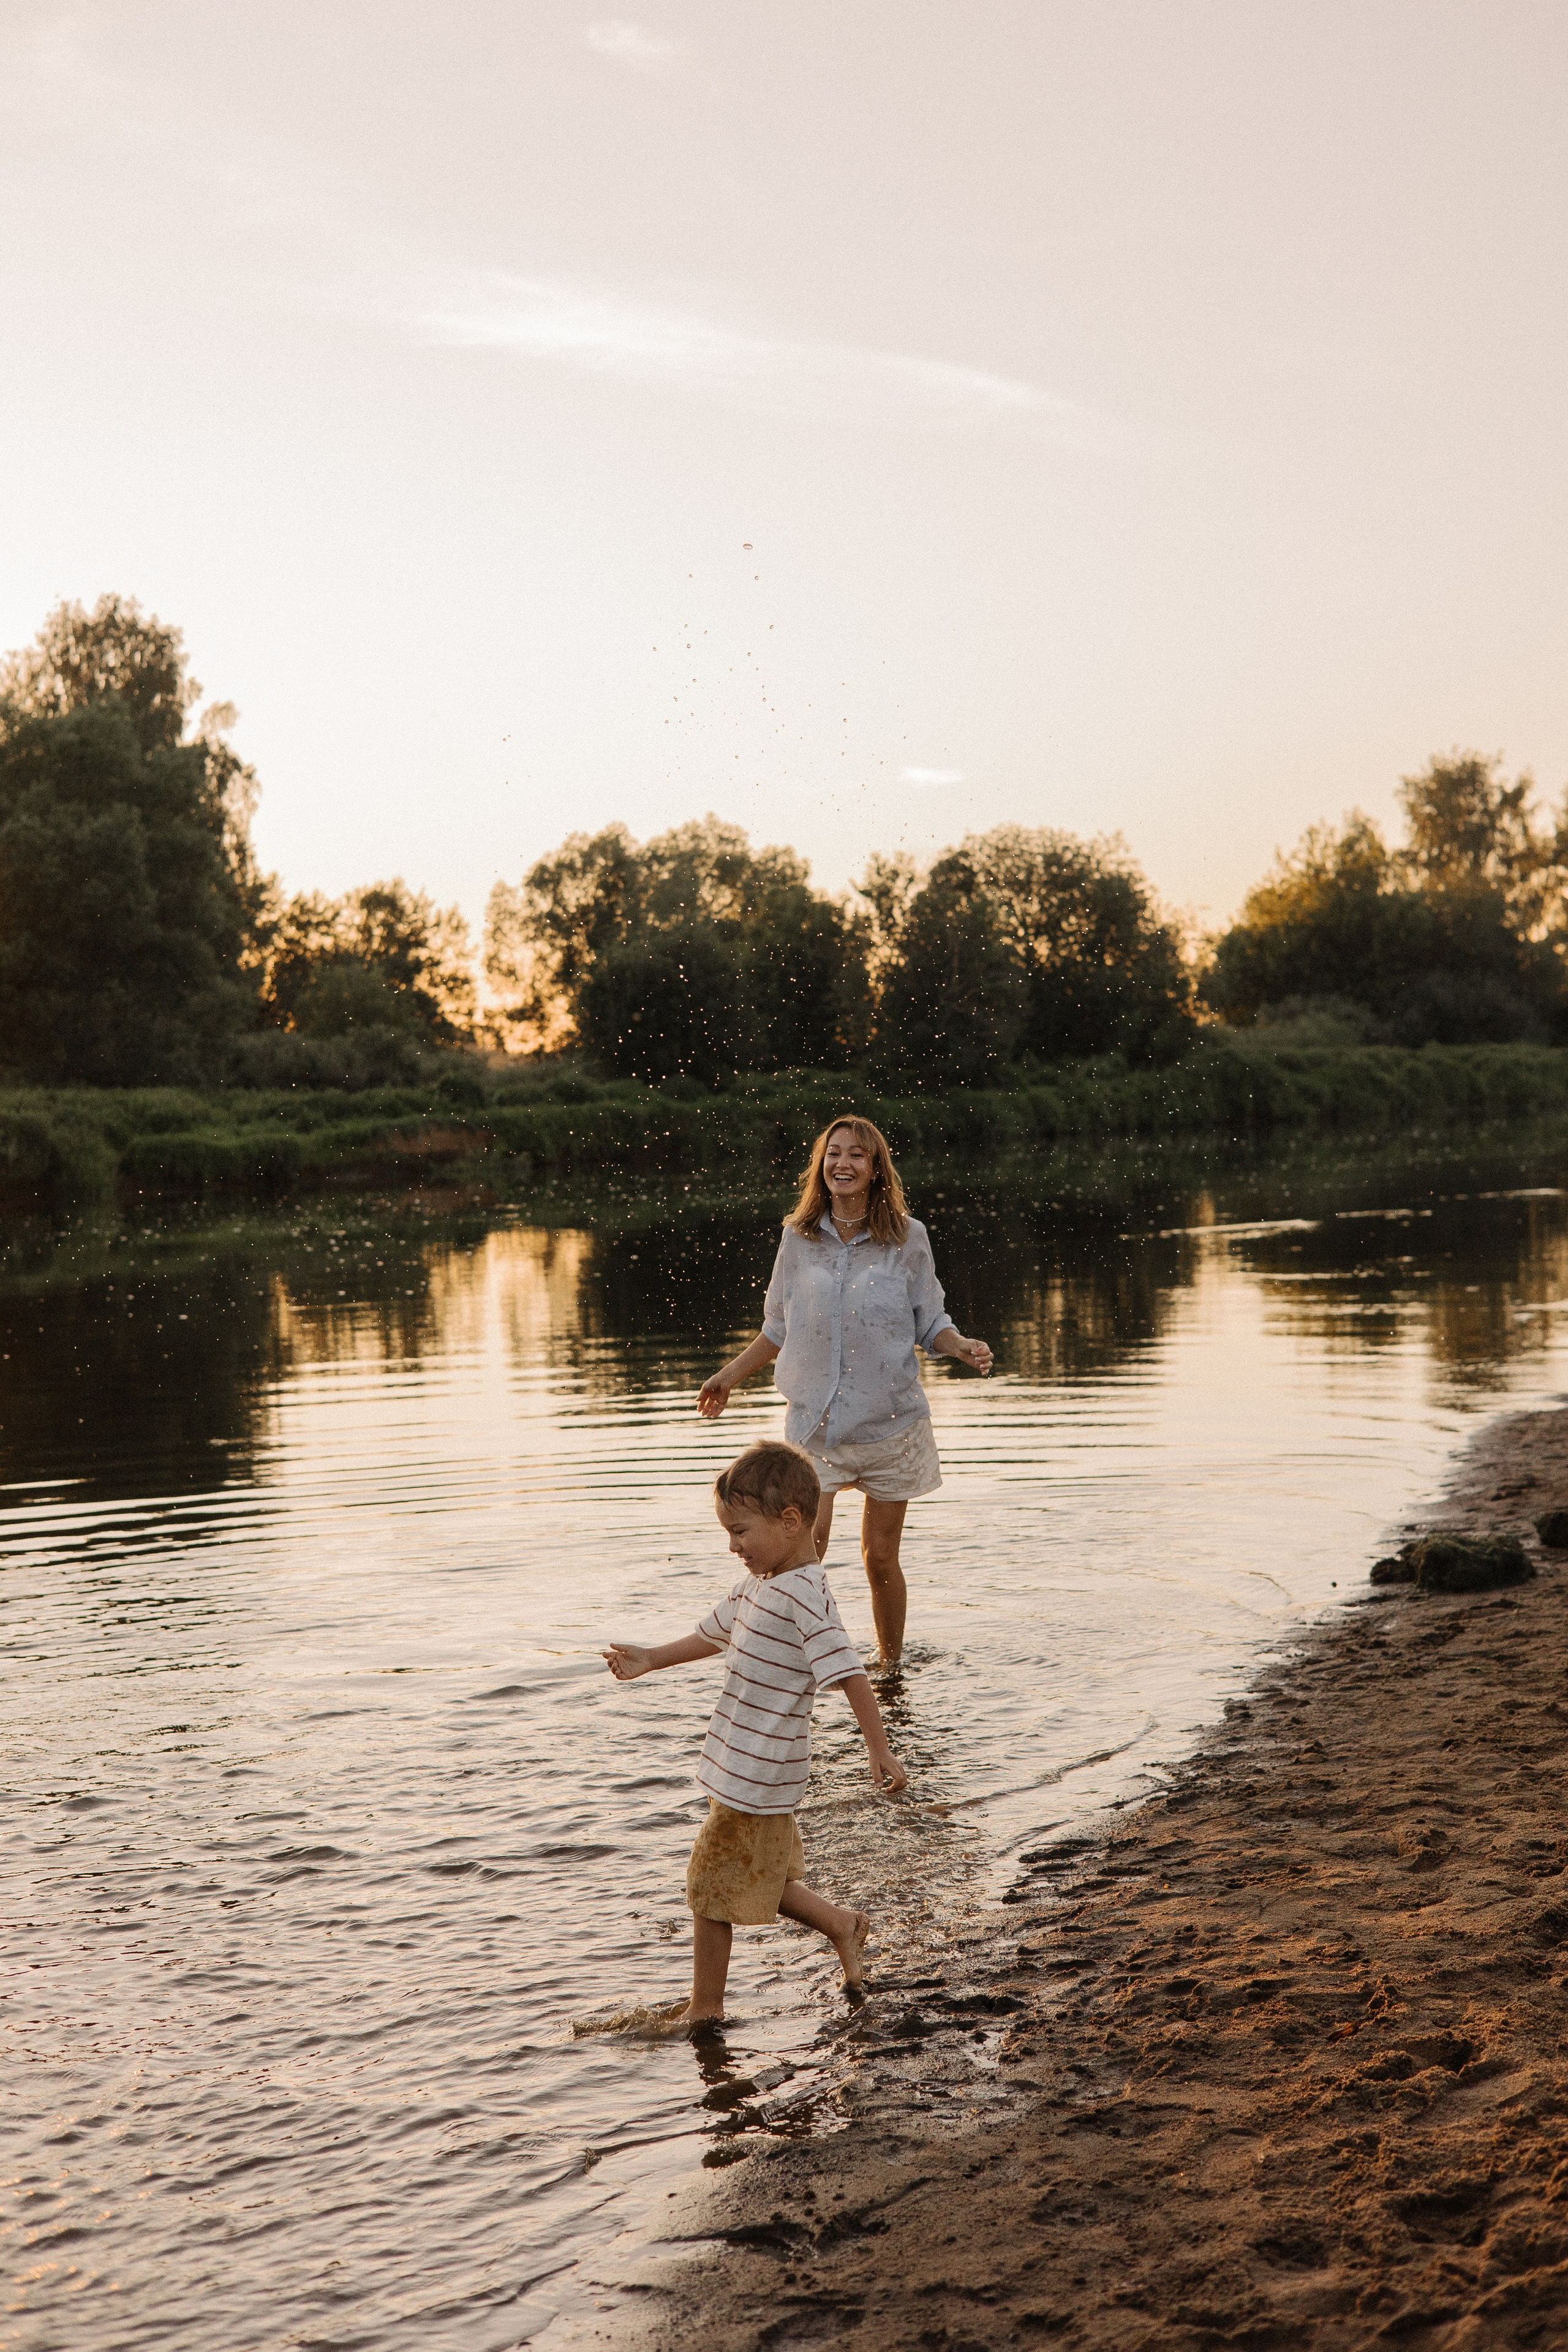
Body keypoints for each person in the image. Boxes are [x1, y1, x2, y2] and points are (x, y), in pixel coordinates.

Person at [603, 1439, 907, 2024]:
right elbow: (715, 1635)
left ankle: (705, 2008)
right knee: (758, 1876)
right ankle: (844, 1926)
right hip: (741, 1766)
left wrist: (878, 1748)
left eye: (741, 1532)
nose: (733, 1546)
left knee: (708, 1886)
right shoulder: (760, 1583)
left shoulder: (807, 1595)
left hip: (762, 1772)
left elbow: (848, 1674)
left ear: (791, 1522)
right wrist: (651, 1659)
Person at [698, 1116, 992, 1665]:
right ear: (821, 1166)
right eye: (834, 1154)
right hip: (817, 1427)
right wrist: (728, 1375)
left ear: (876, 1168)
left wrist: (961, 1346)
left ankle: (890, 1669)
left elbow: (932, 1323)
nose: (844, 1164)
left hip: (891, 1424)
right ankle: (796, 1663)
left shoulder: (909, 1238)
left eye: (857, 1155)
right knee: (805, 1553)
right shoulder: (798, 1238)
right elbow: (776, 1329)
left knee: (880, 1560)